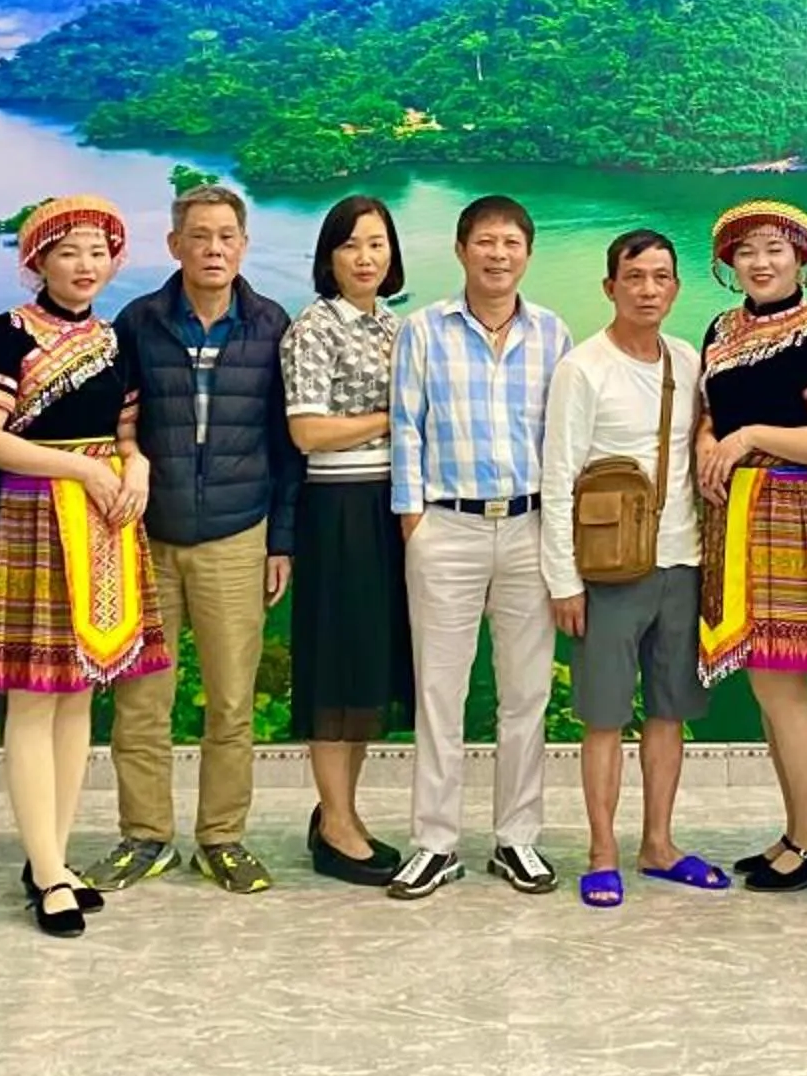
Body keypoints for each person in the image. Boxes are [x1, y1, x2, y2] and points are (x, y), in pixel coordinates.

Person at [96, 185, 302, 895]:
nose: (213, 249)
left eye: (226, 237)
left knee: (231, 702)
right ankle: (145, 835)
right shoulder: (139, 322)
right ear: (175, 245)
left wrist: (281, 540)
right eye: (199, 236)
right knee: (141, 702)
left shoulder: (271, 325)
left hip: (237, 536)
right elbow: (115, 428)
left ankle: (222, 837)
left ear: (243, 245)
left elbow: (286, 446)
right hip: (147, 539)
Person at [0, 195, 167, 938]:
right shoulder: (9, 333)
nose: (85, 266)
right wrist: (81, 469)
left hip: (102, 523)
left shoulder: (115, 341)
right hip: (31, 515)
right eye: (68, 252)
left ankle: (51, 857)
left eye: (97, 253)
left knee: (80, 693)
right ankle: (49, 870)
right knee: (34, 696)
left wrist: (135, 466)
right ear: (38, 263)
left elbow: (126, 434)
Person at [387, 194, 573, 901]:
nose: (498, 255)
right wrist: (414, 521)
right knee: (441, 692)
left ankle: (516, 838)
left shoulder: (552, 333)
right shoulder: (424, 330)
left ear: (528, 253)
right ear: (461, 250)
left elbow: (562, 439)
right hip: (447, 527)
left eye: (511, 243)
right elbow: (406, 427)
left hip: (529, 527)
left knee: (526, 692)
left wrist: (558, 531)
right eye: (485, 242)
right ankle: (434, 843)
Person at [542, 229, 724, 908]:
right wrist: (564, 580)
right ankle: (601, 852)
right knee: (604, 717)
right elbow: (558, 477)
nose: (649, 290)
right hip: (609, 572)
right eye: (635, 277)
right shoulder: (583, 369)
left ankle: (658, 844)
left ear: (676, 287)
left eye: (661, 277)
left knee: (670, 712)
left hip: (683, 563)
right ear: (610, 287)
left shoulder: (687, 361)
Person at [696, 200, 807, 894]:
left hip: (786, 509)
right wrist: (708, 441)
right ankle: (796, 831)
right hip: (733, 513)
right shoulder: (722, 328)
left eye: (775, 249)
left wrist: (749, 437)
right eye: (746, 251)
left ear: (802, 258)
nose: (761, 262)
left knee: (782, 685)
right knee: (767, 687)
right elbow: (712, 412)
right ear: (728, 264)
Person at [280, 194, 416, 886]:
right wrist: (392, 418)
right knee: (336, 669)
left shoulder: (393, 325)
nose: (365, 258)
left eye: (376, 243)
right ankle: (335, 825)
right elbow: (307, 431)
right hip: (337, 508)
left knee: (366, 668)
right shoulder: (315, 327)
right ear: (328, 257)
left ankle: (342, 813)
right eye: (350, 245)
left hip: (387, 504)